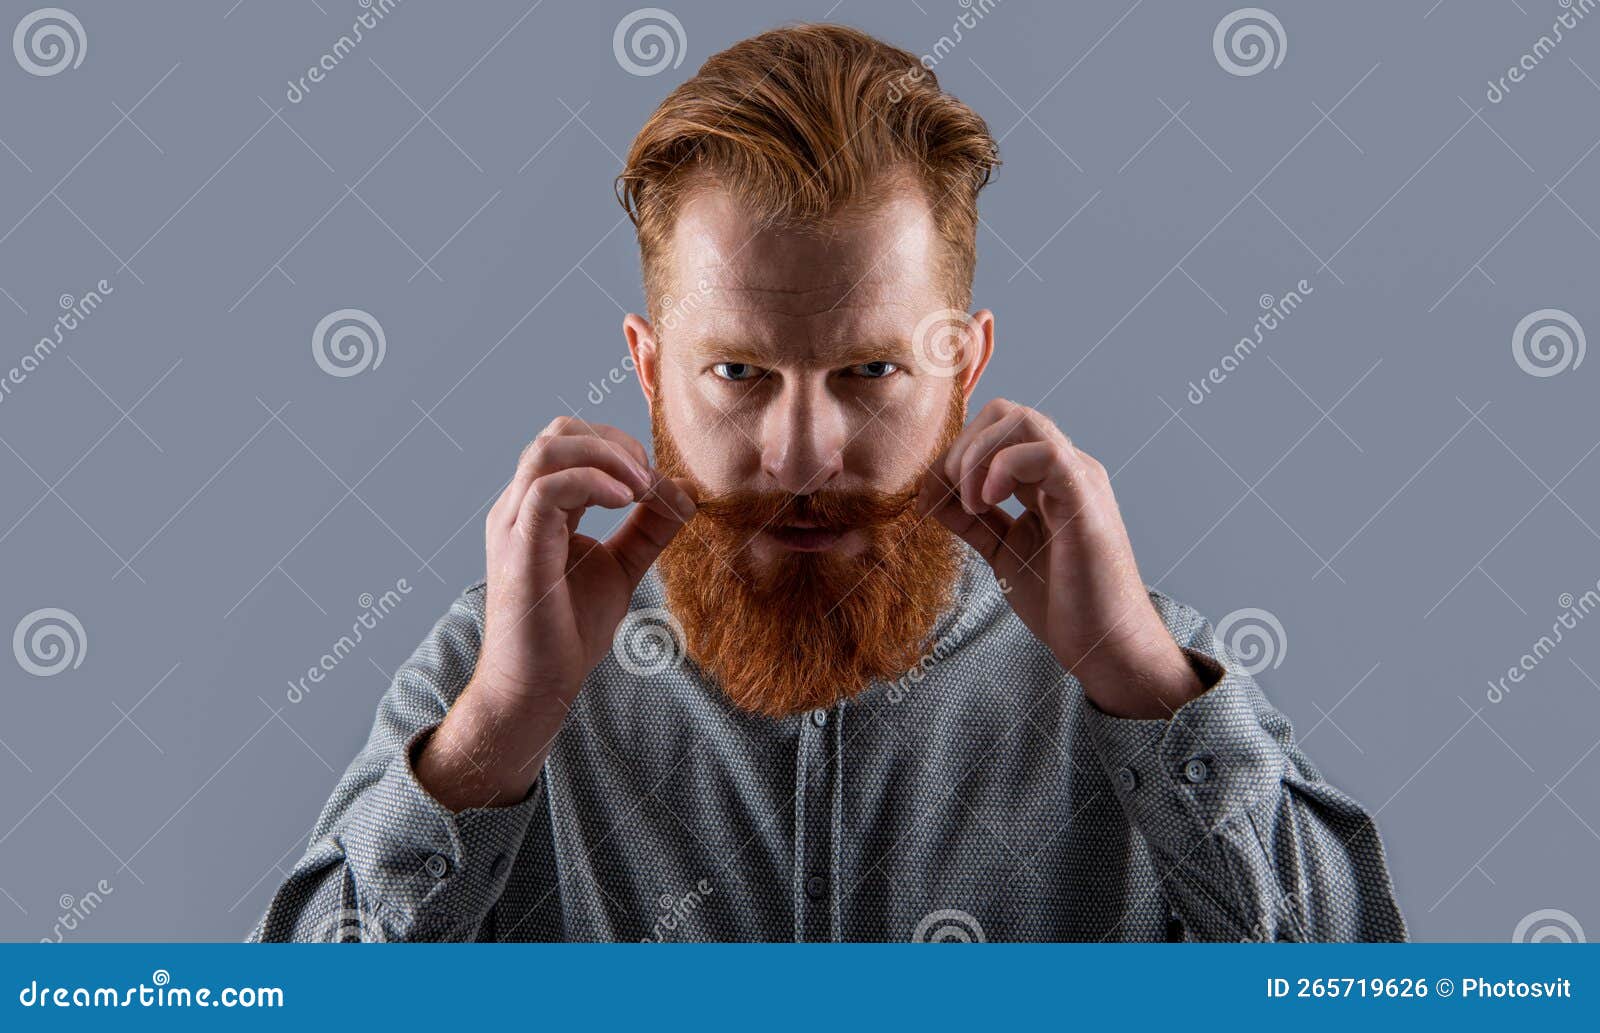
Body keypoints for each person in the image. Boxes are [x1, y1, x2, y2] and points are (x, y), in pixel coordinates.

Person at [250, 23, 1405, 943]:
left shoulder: (1136, 669)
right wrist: (497, 735)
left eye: (870, 370)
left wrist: (1143, 683)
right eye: (739, 372)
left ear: (965, 364)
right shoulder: (492, 668)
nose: (802, 454)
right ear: (650, 370)